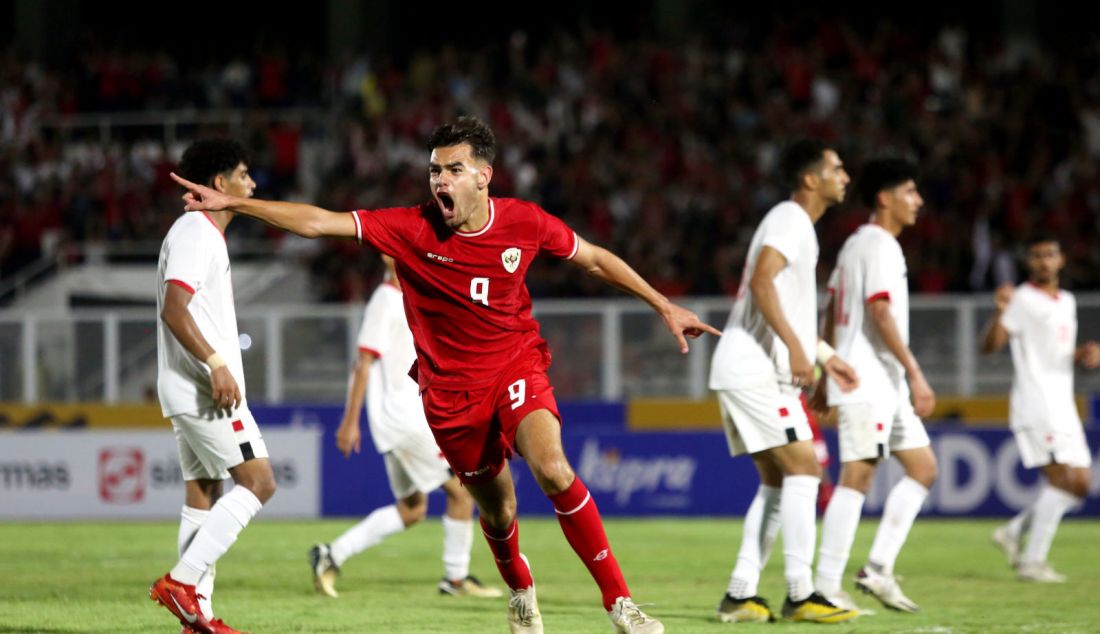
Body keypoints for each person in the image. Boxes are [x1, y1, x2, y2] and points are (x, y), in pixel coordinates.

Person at [171, 115, 720, 634]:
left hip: (515, 365)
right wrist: (236, 207)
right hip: (450, 396)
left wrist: (662, 304)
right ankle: (518, 586)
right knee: (498, 509)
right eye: (435, 169)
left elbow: (596, 258)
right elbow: (318, 223)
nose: (440, 180)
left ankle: (619, 601)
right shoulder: (411, 228)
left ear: (484, 176)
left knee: (553, 469)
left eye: (453, 169)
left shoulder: (524, 221)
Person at [708, 138, 860, 624]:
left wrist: (823, 356)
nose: (845, 176)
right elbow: (761, 281)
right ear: (810, 178)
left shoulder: (797, 225)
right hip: (755, 371)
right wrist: (797, 349)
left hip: (748, 368)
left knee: (777, 482)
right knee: (805, 471)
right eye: (837, 168)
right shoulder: (790, 219)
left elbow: (781, 299)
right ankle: (801, 593)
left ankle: (740, 594)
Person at [309, 254, 501, 600]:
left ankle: (331, 554)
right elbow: (363, 364)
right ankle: (455, 579)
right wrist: (349, 422)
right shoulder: (385, 300)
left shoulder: (411, 298)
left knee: (412, 509)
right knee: (462, 491)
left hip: (401, 420)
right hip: (402, 420)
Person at [150, 139, 276, 634]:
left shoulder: (199, 234)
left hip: (188, 388)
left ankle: (193, 616)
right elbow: (174, 309)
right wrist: (218, 363)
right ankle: (181, 585)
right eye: (244, 174)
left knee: (203, 493)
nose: (252, 184)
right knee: (260, 482)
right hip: (203, 390)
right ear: (220, 184)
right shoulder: (195, 232)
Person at [811, 157, 938, 614]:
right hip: (869, 378)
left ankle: (878, 569)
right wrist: (917, 372)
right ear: (885, 199)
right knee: (858, 476)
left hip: (881, 380)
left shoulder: (853, 246)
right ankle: (825, 585)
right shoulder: (881, 245)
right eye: (910, 191)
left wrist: (825, 371)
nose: (917, 201)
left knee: (923, 469)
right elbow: (879, 310)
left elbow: (830, 308)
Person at [980, 235, 1100, 583]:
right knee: (1064, 481)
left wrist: (1083, 354)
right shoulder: (1021, 299)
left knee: (1080, 483)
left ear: (1061, 260)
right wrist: (1000, 312)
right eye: (1037, 256)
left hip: (1063, 403)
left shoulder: (1067, 301)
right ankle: (1032, 561)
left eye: (1050, 254)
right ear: (1028, 263)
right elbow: (991, 347)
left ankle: (1014, 531)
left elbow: (1056, 352)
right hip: (1035, 402)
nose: (1044, 261)